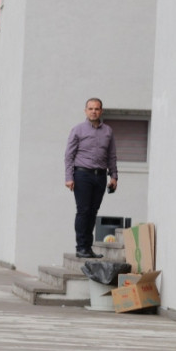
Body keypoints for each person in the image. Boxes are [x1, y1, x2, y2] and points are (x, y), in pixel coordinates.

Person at [64, 97, 118, 259]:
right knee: (83, 211)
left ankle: (88, 248)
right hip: (82, 175)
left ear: (101, 111)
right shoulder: (77, 130)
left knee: (93, 212)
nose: (93, 111)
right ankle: (81, 247)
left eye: (96, 109)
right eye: (91, 108)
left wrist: (114, 176)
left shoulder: (108, 131)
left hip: (100, 176)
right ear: (85, 111)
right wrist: (69, 177)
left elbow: (111, 155)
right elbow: (69, 155)